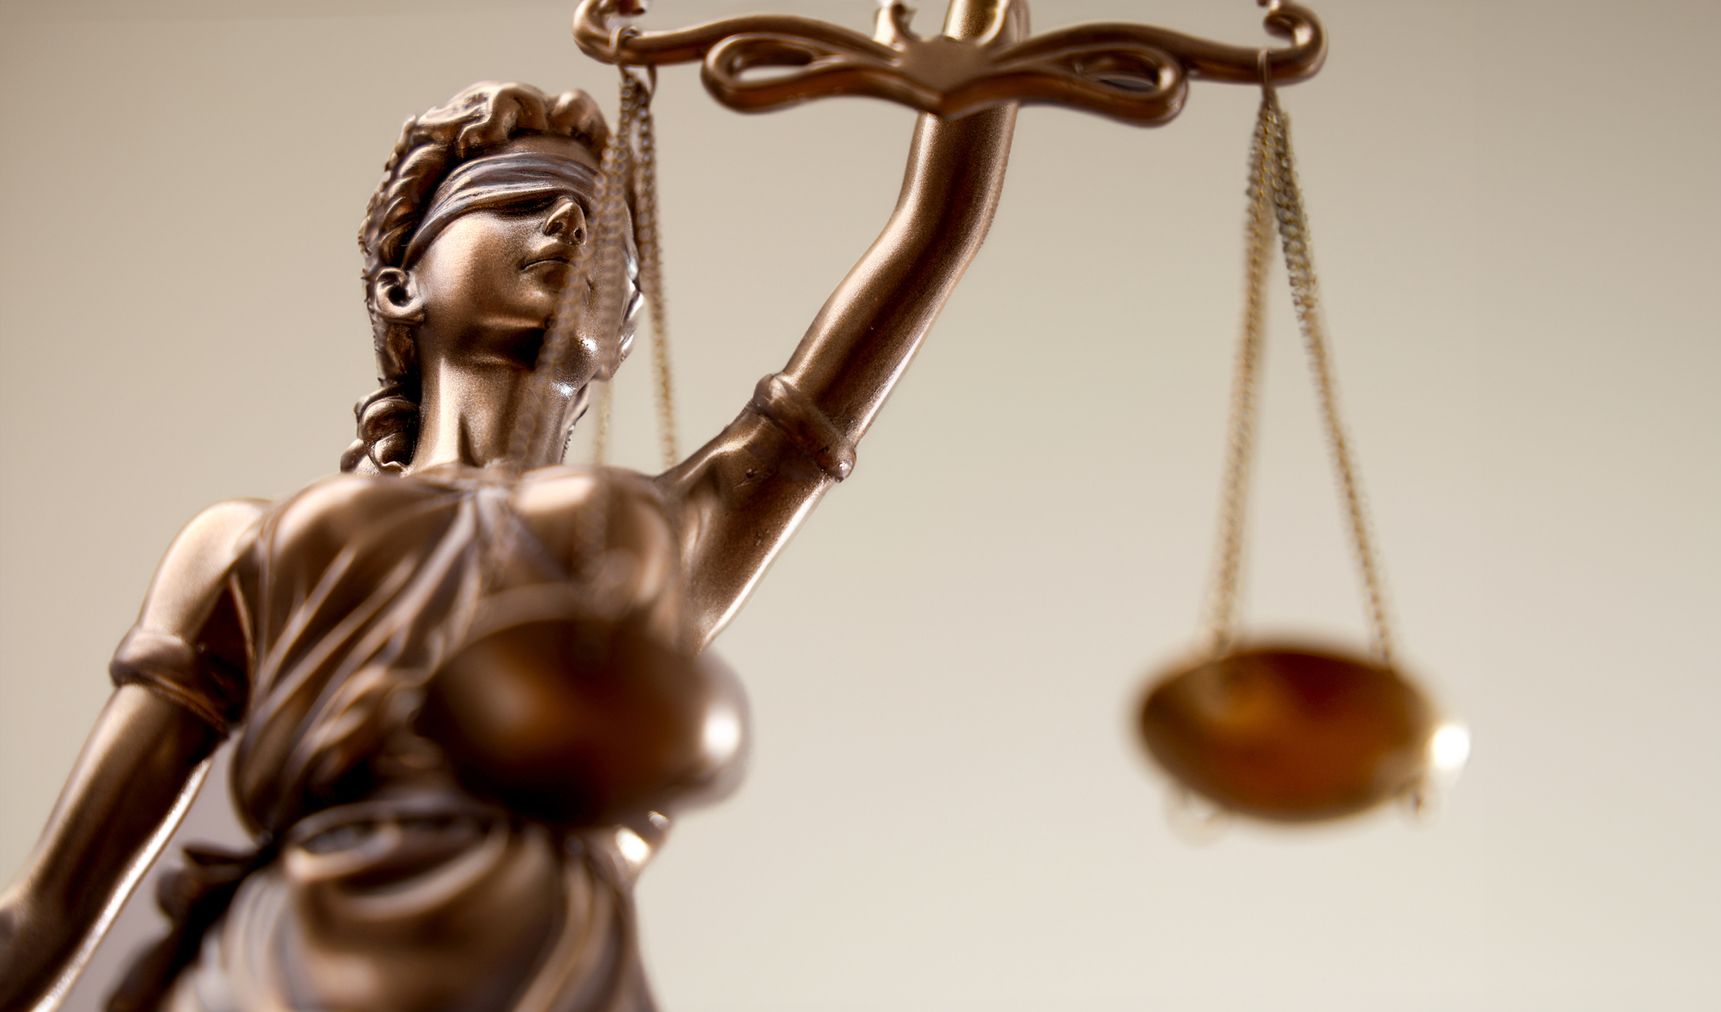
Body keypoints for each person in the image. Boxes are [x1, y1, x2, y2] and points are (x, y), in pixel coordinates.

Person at [0, 72, 1018, 1011]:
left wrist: (968, 78)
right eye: (519, 197)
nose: (572, 217)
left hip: (545, 968)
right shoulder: (246, 543)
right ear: (403, 284)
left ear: (621, 333)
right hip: (294, 969)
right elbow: (50, 907)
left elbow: (929, 239)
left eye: (604, 221)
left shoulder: (657, 538)